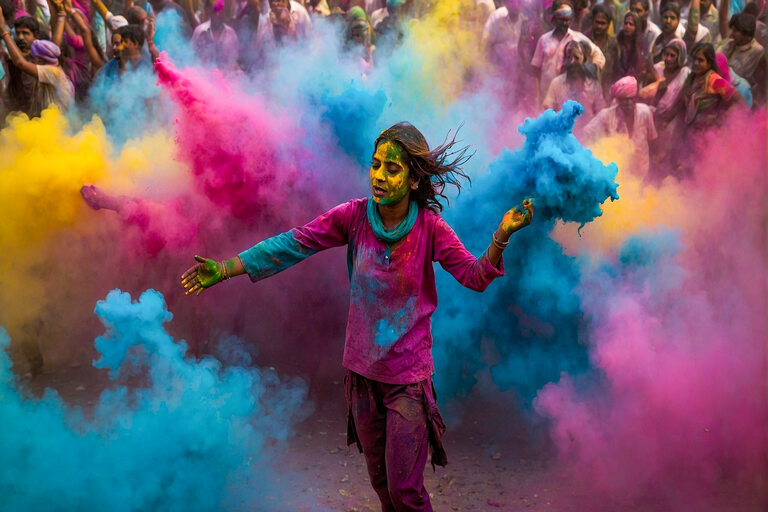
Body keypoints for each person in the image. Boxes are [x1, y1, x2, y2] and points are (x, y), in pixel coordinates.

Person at [180, 123, 534, 512]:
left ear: (415, 179)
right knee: (383, 487)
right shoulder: (353, 217)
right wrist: (229, 267)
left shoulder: (431, 229)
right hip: (361, 378)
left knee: (405, 493)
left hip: (407, 384)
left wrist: (503, 235)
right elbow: (295, 242)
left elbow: (475, 276)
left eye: (393, 169)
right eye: (376, 164)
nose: (379, 176)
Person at [0, 8, 75, 116]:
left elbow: (21, 63)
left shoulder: (52, 72)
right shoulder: (51, 60)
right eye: (18, 33)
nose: (20, 37)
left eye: (25, 33)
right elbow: (56, 42)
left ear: (40, 59)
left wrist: (3, 30)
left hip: (58, 124)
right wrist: (60, 14)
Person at [585, 76, 658, 177]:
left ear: (635, 98)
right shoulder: (606, 115)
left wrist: (654, 167)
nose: (629, 103)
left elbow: (652, 139)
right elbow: (587, 133)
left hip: (642, 170)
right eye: (624, 100)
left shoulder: (645, 112)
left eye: (631, 99)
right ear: (618, 100)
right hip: (619, 173)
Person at [531, 1, 605, 100]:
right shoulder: (544, 40)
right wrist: (536, 95)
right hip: (546, 96)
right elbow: (536, 69)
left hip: (569, 96)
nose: (565, 23)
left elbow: (599, 55)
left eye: (568, 20)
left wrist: (590, 69)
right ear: (554, 19)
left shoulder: (577, 38)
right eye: (562, 20)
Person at [640, 38, 690, 178]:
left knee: (667, 156)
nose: (668, 59)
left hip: (674, 122)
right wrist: (658, 92)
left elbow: (683, 101)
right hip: (654, 118)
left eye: (672, 56)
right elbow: (644, 96)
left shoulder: (685, 74)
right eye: (666, 54)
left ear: (680, 57)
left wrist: (668, 117)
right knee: (652, 154)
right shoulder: (657, 70)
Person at [543, 39, 605, 119]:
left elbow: (600, 114)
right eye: (568, 57)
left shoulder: (594, 85)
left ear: (584, 60)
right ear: (564, 60)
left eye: (576, 58)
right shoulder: (556, 83)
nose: (572, 61)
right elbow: (548, 111)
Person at [717, 12, 766, 104]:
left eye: (735, 31)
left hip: (740, 97)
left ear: (747, 36)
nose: (731, 34)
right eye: (731, 29)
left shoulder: (759, 53)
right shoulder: (727, 43)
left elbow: (762, 84)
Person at [602, 11, 654, 97]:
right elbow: (608, 69)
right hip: (616, 85)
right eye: (626, 23)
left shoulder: (642, 44)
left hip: (636, 87)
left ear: (636, 27)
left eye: (631, 24)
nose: (627, 26)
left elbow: (645, 67)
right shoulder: (616, 43)